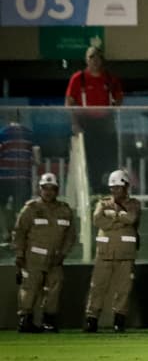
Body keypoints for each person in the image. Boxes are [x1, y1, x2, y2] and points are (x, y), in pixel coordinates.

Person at [13, 173, 75, 333]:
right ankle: (25, 320)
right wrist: (19, 254)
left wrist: (63, 254)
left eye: (51, 189)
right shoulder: (31, 209)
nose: (48, 192)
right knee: (30, 288)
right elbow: (19, 232)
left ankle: (49, 321)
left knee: (55, 288)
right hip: (33, 258)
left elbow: (70, 235)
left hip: (55, 258)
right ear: (39, 189)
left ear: (57, 190)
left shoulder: (65, 210)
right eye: (44, 188)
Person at [83, 169, 140, 334]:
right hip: (105, 253)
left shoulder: (134, 204)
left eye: (118, 187)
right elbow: (98, 220)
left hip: (125, 253)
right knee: (97, 287)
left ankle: (119, 320)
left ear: (126, 187)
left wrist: (113, 216)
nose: (115, 191)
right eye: (113, 188)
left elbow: (132, 219)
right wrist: (120, 218)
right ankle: (91, 319)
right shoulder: (103, 203)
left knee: (123, 289)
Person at [65, 46, 123, 190]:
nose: (95, 60)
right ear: (86, 59)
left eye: (97, 57)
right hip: (86, 125)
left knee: (109, 160)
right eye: (91, 57)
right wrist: (75, 124)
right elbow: (69, 102)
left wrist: (114, 110)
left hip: (105, 124)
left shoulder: (110, 79)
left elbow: (119, 97)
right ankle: (93, 190)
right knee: (89, 161)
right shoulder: (79, 78)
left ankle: (108, 190)